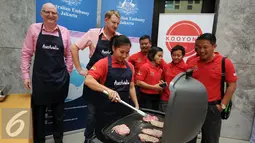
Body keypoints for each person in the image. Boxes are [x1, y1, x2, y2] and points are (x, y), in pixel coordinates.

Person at [20, 3, 72, 143]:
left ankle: (58, 140)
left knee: (58, 116)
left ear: (58, 15)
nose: (51, 15)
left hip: (59, 81)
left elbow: (69, 56)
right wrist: (25, 76)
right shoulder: (34, 29)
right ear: (41, 14)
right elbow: (26, 53)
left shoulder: (65, 31)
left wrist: (67, 73)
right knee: (39, 117)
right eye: (47, 12)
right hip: (40, 81)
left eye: (54, 13)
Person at [70, 10, 120, 143]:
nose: (115, 26)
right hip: (93, 80)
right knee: (91, 114)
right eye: (113, 22)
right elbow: (74, 48)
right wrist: (79, 69)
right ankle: (88, 138)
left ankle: (105, 137)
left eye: (118, 24)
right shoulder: (93, 34)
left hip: (110, 82)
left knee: (107, 113)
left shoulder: (119, 37)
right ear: (106, 19)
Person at [84, 35, 139, 142]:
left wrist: (136, 105)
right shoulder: (103, 63)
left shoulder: (130, 66)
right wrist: (108, 90)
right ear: (114, 48)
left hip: (123, 111)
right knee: (106, 138)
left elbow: (131, 86)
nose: (124, 56)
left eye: (127, 53)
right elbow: (88, 80)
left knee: (122, 138)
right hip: (106, 111)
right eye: (121, 52)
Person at [188, 33, 237, 143]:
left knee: (210, 139)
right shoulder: (191, 62)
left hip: (212, 108)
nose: (201, 50)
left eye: (205, 47)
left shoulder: (225, 62)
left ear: (214, 47)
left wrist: (222, 105)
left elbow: (232, 85)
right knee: (188, 138)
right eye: (198, 47)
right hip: (192, 106)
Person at [159, 45, 188, 112]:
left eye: (178, 55)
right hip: (165, 99)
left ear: (183, 56)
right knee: (163, 119)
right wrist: (162, 86)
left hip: (179, 100)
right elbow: (162, 80)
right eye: (173, 55)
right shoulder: (167, 66)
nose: (175, 57)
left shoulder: (186, 68)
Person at [128, 35, 152, 99]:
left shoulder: (155, 57)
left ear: (150, 44)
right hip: (137, 89)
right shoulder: (133, 57)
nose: (144, 46)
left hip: (152, 90)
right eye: (142, 44)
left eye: (146, 44)